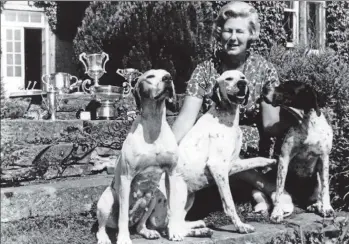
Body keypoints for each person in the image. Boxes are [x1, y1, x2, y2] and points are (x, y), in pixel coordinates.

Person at [171, 1, 294, 215]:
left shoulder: (265, 70)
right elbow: (185, 120)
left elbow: (270, 125)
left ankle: (263, 190)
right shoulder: (205, 70)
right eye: (228, 31)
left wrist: (295, 118)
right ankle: (265, 190)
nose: (233, 37)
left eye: (240, 31)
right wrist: (164, 152)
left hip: (250, 145)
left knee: (227, 148)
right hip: (215, 144)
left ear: (251, 35)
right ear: (220, 33)